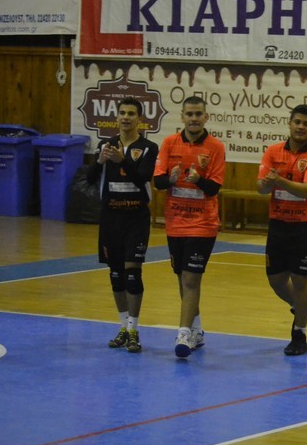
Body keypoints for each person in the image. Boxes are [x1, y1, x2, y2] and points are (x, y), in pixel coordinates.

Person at [153, 96, 226, 359]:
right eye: (189, 114)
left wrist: (198, 180)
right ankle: (196, 328)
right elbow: (158, 181)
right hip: (175, 222)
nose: (194, 118)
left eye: (198, 114)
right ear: (182, 116)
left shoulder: (215, 147)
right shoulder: (169, 143)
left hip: (203, 223)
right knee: (182, 279)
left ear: (206, 117)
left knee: (191, 278)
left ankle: (183, 333)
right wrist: (170, 179)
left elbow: (214, 188)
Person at [256, 104, 307, 357]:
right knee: (276, 280)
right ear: (289, 124)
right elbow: (260, 188)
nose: (300, 127)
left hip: (306, 225)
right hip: (278, 223)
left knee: (300, 280)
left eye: (306, 124)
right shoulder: (273, 151)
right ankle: (302, 306)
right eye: (297, 122)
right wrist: (267, 183)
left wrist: (278, 180)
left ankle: (299, 333)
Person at [88, 97, 159, 354]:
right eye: (122, 113)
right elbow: (89, 179)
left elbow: (143, 178)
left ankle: (134, 330)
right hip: (110, 218)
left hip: (135, 218)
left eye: (131, 113)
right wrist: (100, 161)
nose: (126, 117)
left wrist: (122, 161)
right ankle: (122, 327)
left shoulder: (148, 147)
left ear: (140, 119)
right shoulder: (105, 145)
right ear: (117, 117)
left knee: (132, 274)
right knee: (116, 275)